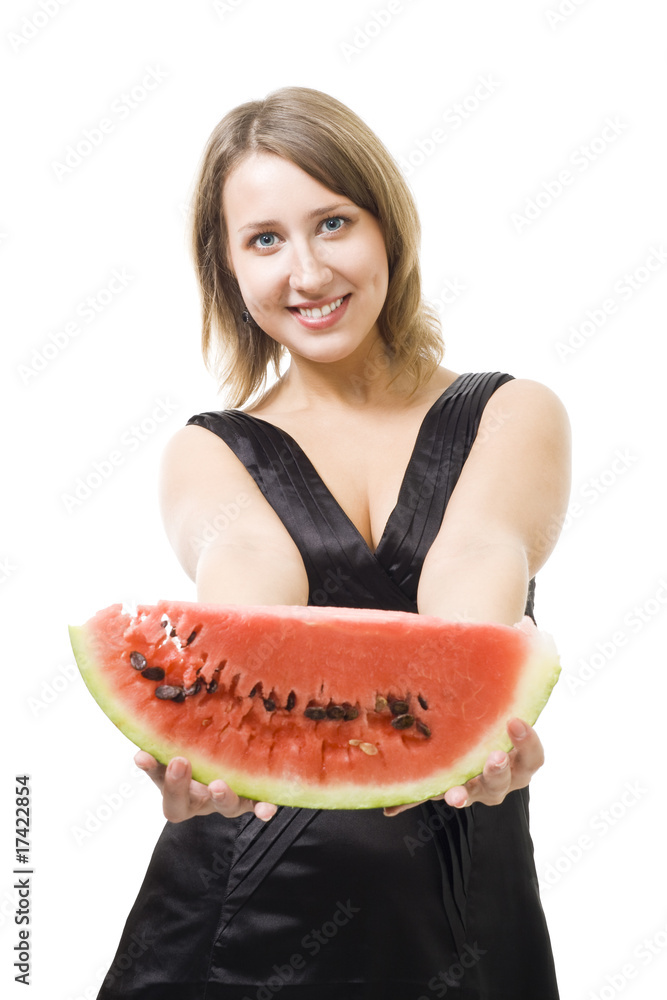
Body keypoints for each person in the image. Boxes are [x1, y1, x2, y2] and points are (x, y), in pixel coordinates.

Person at [97, 86, 571, 999]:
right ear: (227, 268)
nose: (307, 274)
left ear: (388, 227)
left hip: (462, 920)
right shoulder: (208, 451)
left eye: (333, 222)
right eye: (264, 239)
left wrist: (470, 737)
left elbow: (473, 565)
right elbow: (248, 588)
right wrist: (217, 744)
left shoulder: (511, 413)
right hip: (233, 925)